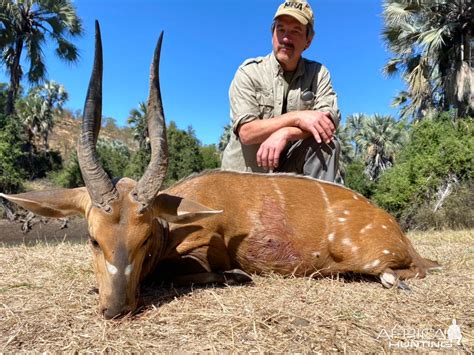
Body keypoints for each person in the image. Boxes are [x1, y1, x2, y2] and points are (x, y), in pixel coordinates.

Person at [221, 0, 341, 182]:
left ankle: (316, 209)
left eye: (295, 31)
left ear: (308, 41)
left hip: (289, 174)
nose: (286, 38)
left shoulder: (319, 73)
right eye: (281, 29)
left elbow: (327, 124)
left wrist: (285, 133)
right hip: (245, 180)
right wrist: (297, 118)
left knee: (327, 143)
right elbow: (247, 132)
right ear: (272, 34)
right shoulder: (249, 71)